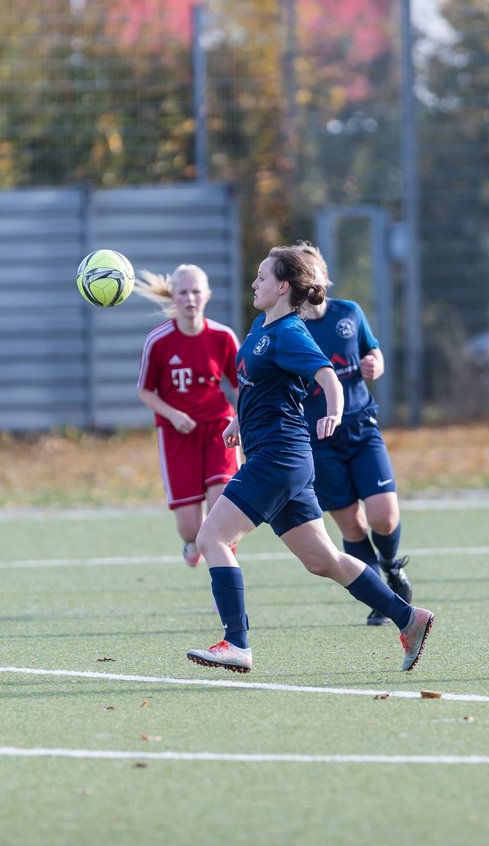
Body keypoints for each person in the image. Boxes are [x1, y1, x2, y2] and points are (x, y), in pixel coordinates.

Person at [185, 246, 434, 673]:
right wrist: (240, 424)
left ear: (283, 286)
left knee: (212, 539)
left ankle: (236, 642)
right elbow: (260, 387)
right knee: (322, 561)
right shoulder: (262, 326)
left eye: (262, 277)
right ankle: (409, 618)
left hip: (279, 457)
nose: (254, 283)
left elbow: (327, 377)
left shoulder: (290, 333)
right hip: (280, 456)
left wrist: (334, 411)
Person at [294, 242, 413, 626]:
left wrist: (374, 364)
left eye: (313, 274)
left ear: (324, 278)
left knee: (384, 516)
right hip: (319, 438)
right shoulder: (289, 329)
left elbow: (372, 352)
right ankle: (378, 593)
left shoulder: (348, 313)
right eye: (301, 277)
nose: (309, 283)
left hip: (361, 426)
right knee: (351, 524)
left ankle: (392, 566)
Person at [137, 265, 241, 568]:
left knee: (224, 511)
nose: (191, 298)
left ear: (207, 295)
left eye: (196, 291)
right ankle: (191, 544)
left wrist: (240, 420)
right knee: (190, 529)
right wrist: (173, 414)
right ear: (173, 297)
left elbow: (241, 386)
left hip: (219, 429)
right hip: (177, 434)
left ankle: (224, 587)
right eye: (183, 292)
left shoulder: (222, 337)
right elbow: (145, 391)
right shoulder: (158, 341)